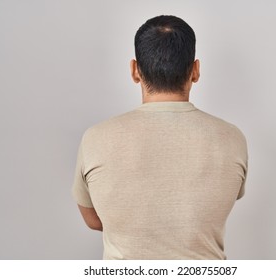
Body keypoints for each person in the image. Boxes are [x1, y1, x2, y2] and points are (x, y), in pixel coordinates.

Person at [72, 15, 248, 260]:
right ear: (196, 71)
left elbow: (93, 218)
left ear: (134, 71)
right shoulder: (232, 138)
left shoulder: (95, 138)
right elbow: (213, 210)